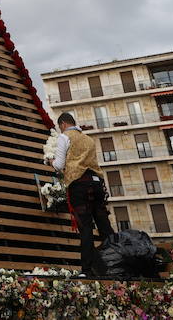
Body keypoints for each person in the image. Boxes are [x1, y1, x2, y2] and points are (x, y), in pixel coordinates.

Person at [52, 112, 114, 276]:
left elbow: (59, 165)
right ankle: (116, 262)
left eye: (60, 127)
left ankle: (87, 270)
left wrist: (50, 161)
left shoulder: (64, 137)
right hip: (97, 184)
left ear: (63, 124)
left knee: (85, 229)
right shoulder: (89, 139)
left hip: (79, 185)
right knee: (104, 226)